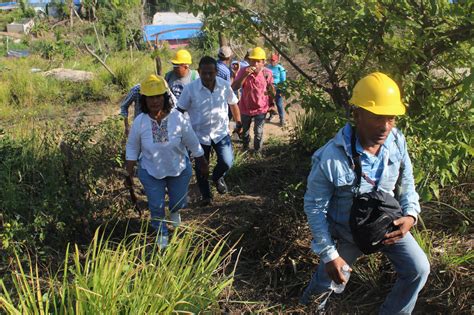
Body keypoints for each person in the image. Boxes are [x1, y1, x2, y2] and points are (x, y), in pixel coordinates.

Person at [300, 72, 430, 314]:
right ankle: (304, 309)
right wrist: (330, 255)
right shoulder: (331, 157)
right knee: (325, 283)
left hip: (386, 226)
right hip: (347, 233)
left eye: (391, 118)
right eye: (377, 117)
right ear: (357, 114)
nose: (385, 126)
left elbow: (407, 181)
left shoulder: (397, 141)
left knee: (418, 269)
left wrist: (410, 215)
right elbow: (315, 208)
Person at [125, 74, 209, 248]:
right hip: (150, 170)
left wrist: (201, 161)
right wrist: (129, 170)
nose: (155, 101)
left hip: (178, 167)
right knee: (156, 205)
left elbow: (192, 140)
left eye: (158, 97)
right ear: (144, 100)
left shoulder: (178, 118)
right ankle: (161, 233)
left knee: (178, 201)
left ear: (164, 98)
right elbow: (132, 147)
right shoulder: (140, 122)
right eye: (150, 98)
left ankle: (175, 211)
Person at [178, 56, 242, 205]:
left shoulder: (224, 85)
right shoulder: (190, 89)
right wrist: (181, 132)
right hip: (198, 135)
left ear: (216, 72)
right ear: (199, 72)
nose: (207, 76)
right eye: (204, 73)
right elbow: (180, 110)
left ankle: (217, 177)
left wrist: (238, 122)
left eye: (211, 73)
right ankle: (207, 197)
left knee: (227, 161)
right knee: (201, 167)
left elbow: (233, 104)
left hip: (220, 133)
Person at [231, 47, 275, 153]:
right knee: (245, 132)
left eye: (258, 61)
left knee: (258, 132)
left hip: (261, 108)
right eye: (252, 61)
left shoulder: (267, 73)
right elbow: (235, 87)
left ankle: (257, 151)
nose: (255, 64)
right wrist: (245, 75)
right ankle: (245, 148)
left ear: (263, 62)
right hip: (245, 108)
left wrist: (272, 104)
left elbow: (271, 90)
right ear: (249, 61)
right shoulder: (243, 71)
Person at [266, 53, 287, 127]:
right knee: (269, 103)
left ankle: (282, 119)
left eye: (274, 60)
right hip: (269, 88)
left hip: (278, 88)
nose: (272, 62)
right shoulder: (268, 67)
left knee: (279, 103)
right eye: (271, 60)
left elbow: (283, 80)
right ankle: (271, 115)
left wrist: (283, 90)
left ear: (277, 60)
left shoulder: (280, 68)